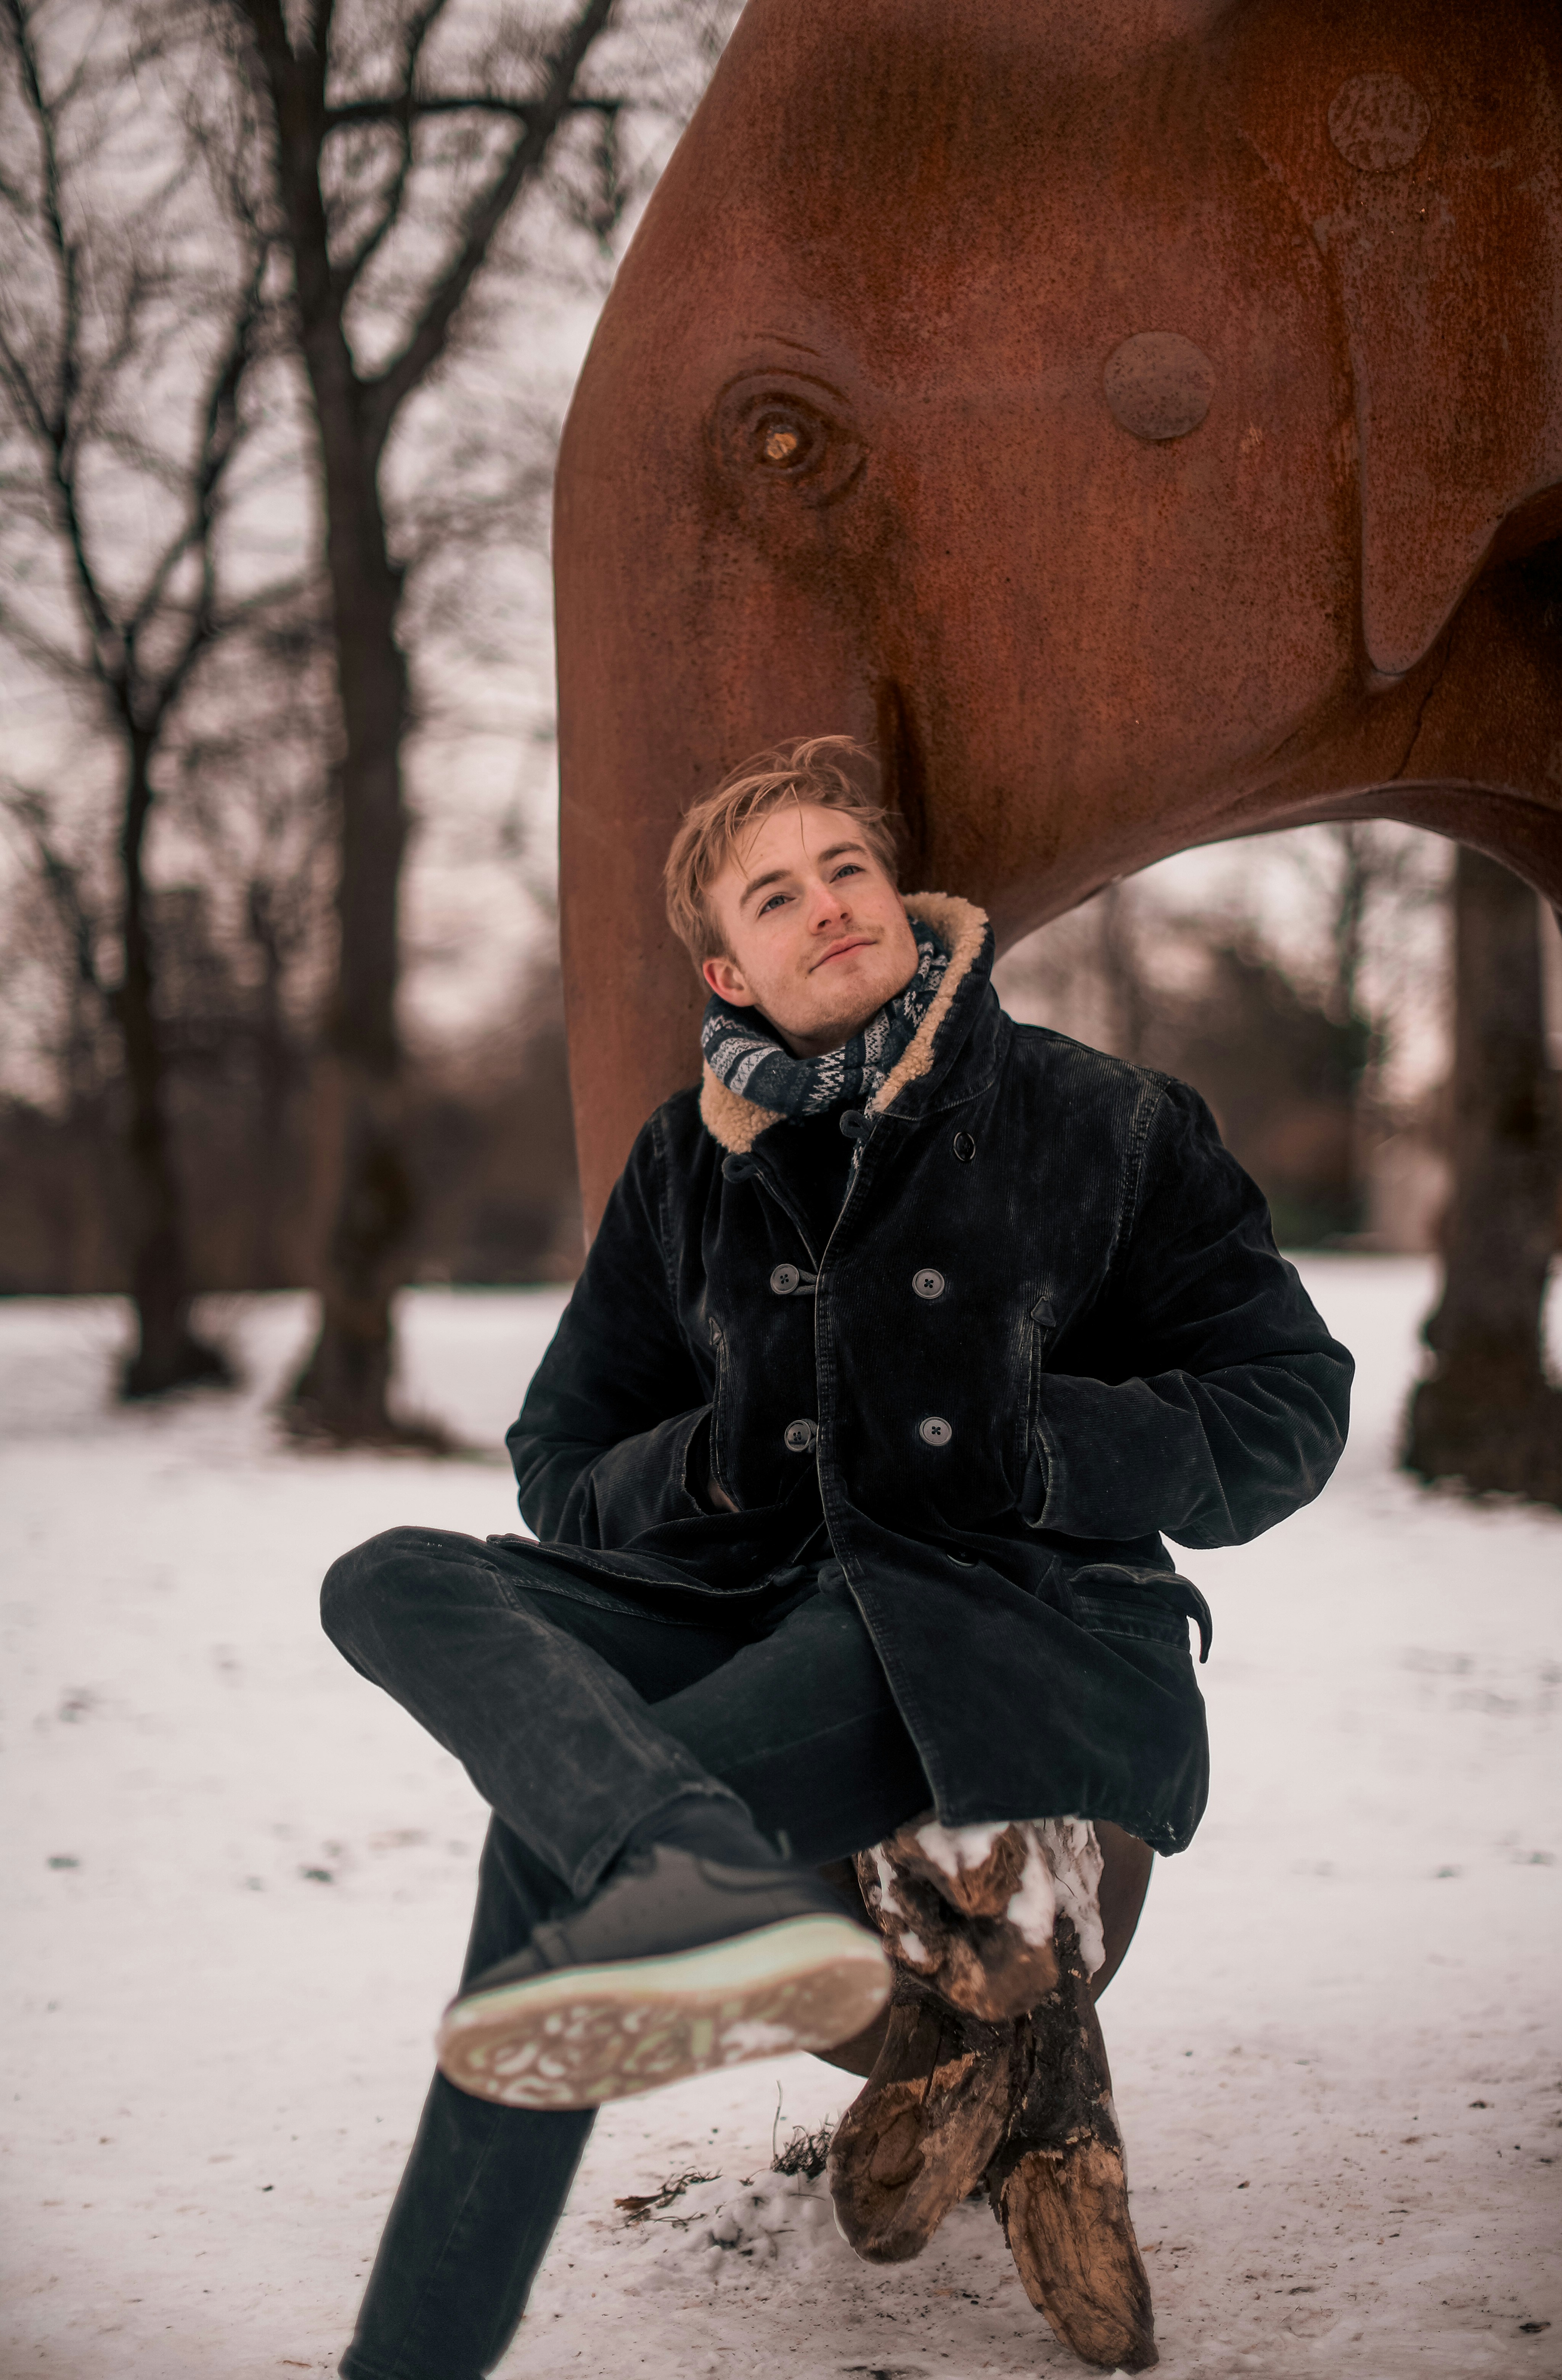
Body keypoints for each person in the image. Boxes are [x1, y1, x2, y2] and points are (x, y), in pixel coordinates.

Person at [321, 733, 1353, 2380]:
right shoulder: (686, 1167)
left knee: (548, 1856)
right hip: (735, 1594)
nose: (828, 907)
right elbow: (557, 1464)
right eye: (777, 894)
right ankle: (680, 1859)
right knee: (383, 1573)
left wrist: (1028, 1441)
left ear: (906, 900)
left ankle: (415, 2351)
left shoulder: (1104, 1124)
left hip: (990, 1622)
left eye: (848, 869)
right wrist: (720, 1458)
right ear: (730, 967)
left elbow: (1288, 1406)